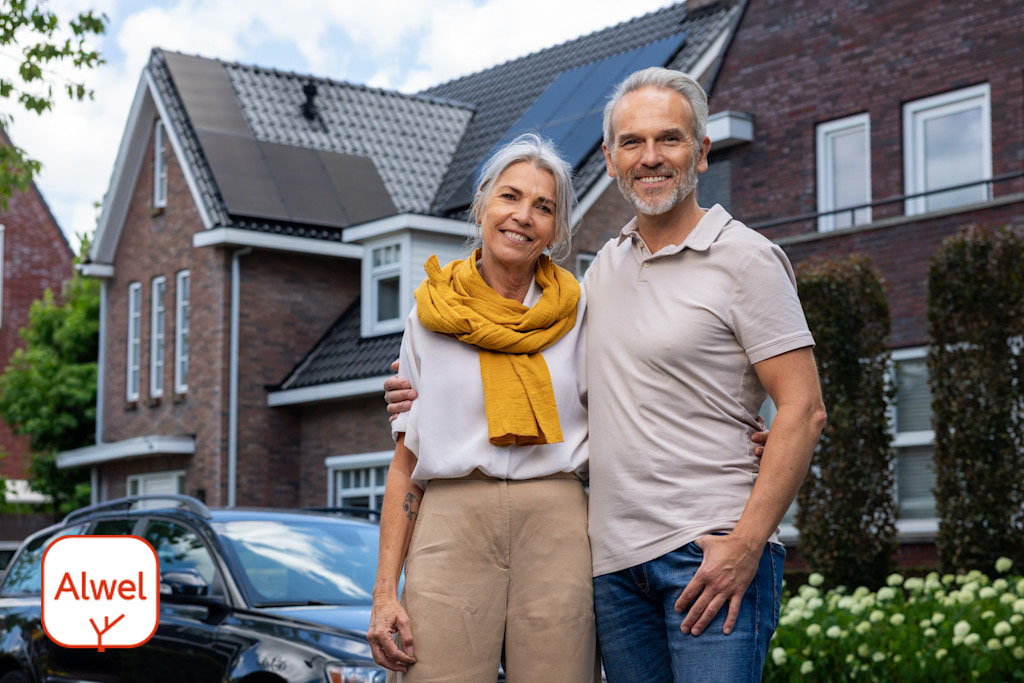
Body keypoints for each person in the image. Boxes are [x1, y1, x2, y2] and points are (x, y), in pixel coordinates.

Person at [387, 67, 826, 682]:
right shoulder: (598, 277)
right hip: (616, 565)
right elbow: (558, 373)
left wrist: (747, 541)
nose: (651, 157)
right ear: (611, 159)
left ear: (701, 152)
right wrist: (418, 386)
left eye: (669, 138)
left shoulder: (746, 258)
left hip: (709, 549)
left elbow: (804, 409)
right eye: (632, 142)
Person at [367, 133, 599, 682]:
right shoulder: (430, 316)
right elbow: (406, 461)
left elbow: (633, 400)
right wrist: (383, 594)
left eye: (543, 206)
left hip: (557, 524)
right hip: (452, 518)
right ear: (481, 207)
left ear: (557, 230)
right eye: (509, 196)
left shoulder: (582, 313)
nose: (523, 216)